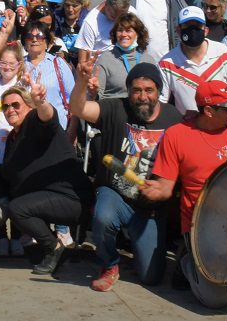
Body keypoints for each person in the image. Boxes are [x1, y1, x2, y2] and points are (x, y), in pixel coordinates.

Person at [143, 80, 227, 307]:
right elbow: (165, 187)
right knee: (215, 300)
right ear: (208, 111)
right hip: (202, 225)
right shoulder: (177, 135)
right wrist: (153, 191)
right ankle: (187, 261)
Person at [71, 56, 181, 291]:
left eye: (149, 90)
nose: (142, 96)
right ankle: (109, 264)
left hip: (150, 207)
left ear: (159, 91)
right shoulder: (115, 108)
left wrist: (163, 190)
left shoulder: (173, 119)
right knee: (103, 217)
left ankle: (138, 249)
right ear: (128, 91)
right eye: (136, 90)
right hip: (115, 192)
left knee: (151, 277)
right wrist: (81, 82)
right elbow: (77, 108)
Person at [0, 80, 93, 276]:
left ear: (28, 106)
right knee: (14, 201)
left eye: (16, 105)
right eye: (5, 106)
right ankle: (51, 249)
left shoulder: (33, 121)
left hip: (72, 198)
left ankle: (54, 248)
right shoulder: (12, 139)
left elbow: (48, 118)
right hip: (48, 197)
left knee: (18, 208)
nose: (10, 110)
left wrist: (41, 102)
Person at [158, 6, 227, 115]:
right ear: (178, 30)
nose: (192, 30)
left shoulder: (223, 53)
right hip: (187, 128)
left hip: (223, 126)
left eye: (197, 26)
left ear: (205, 30)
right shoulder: (166, 63)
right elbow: (161, 103)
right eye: (187, 25)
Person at [93, 14, 157, 99]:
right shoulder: (105, 59)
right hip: (114, 109)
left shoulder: (149, 60)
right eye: (120, 30)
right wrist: (92, 91)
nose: (123, 34)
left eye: (128, 30)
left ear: (137, 34)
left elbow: (156, 94)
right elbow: (96, 95)